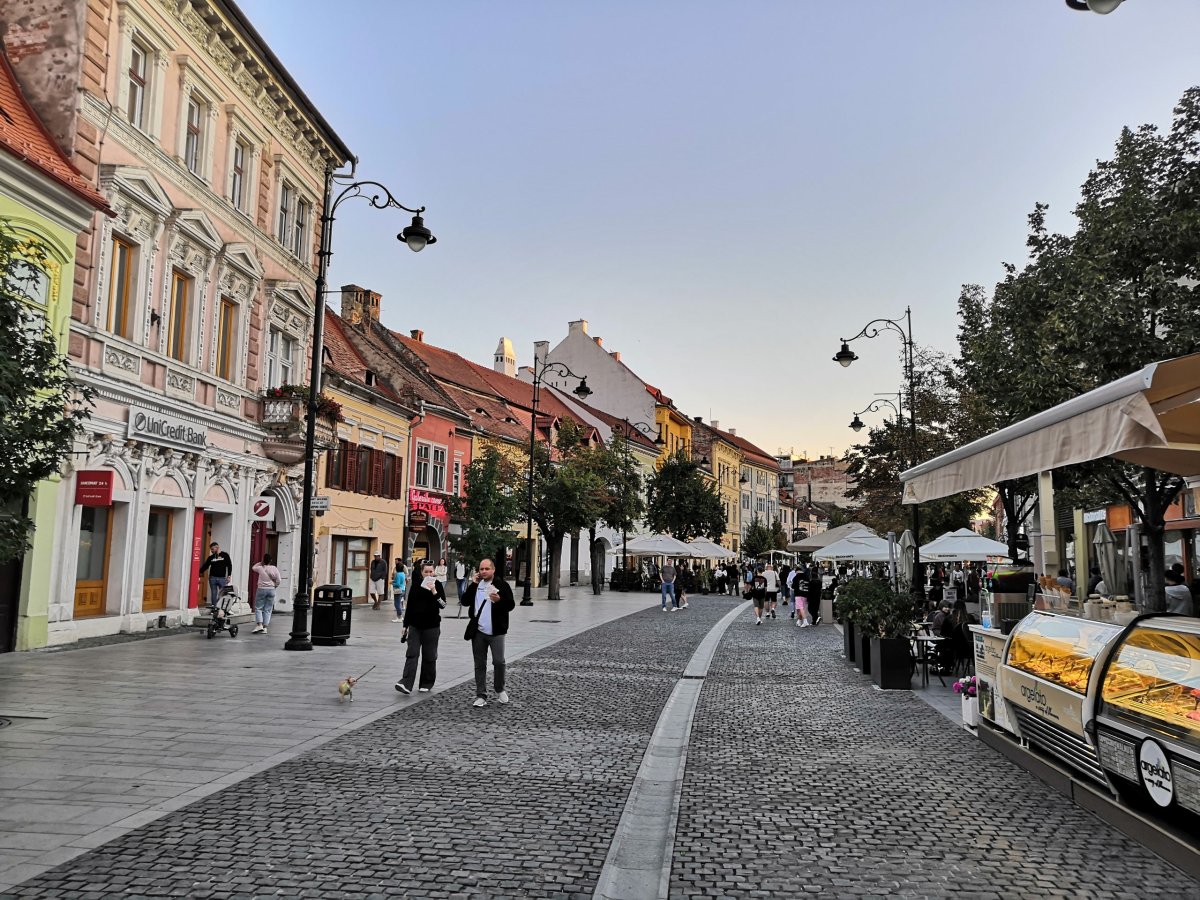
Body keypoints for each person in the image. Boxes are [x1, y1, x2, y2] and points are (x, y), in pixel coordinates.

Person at [462, 557, 516, 707]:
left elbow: (510, 605)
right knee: (479, 663)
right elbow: (465, 601)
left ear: (493, 570)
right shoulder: (476, 585)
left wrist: (499, 601)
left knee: (499, 661)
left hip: (497, 631)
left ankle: (500, 689)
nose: (484, 571)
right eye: (481, 569)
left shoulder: (502, 585)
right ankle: (481, 695)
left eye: (487, 569)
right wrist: (472, 584)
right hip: (478, 631)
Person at [395, 561, 446, 695]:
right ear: (422, 573)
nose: (429, 574)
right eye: (426, 572)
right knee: (412, 654)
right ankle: (406, 683)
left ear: (434, 572)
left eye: (431, 572)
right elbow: (410, 606)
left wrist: (434, 591)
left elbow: (443, 605)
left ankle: (426, 682)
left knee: (429, 655)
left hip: (432, 626)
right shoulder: (416, 585)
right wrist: (405, 625)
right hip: (415, 626)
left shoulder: (438, 585)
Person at [251, 553, 281, 635]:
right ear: (271, 560)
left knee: (258, 608)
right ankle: (265, 627)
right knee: (268, 609)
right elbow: (279, 579)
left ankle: (259, 624)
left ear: (263, 560)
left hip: (261, 589)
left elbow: (253, 568)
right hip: (271, 590)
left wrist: (261, 562)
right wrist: (275, 585)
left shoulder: (260, 568)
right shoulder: (274, 568)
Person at [198, 542, 233, 612]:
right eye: (211, 549)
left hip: (222, 578)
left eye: (212, 549)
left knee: (223, 593)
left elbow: (229, 565)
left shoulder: (225, 555)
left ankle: (222, 608)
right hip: (212, 578)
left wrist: (229, 576)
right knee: (214, 593)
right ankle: (214, 608)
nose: (211, 551)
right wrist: (199, 572)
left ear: (217, 547)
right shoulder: (211, 557)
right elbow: (206, 566)